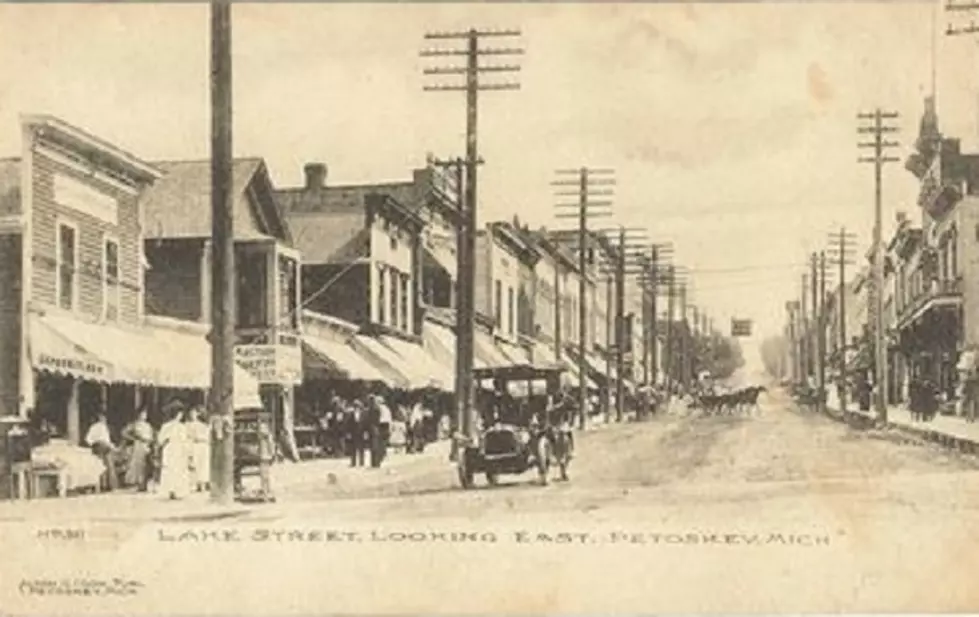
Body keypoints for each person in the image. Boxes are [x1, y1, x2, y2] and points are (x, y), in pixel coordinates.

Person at [157, 400, 190, 500]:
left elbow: (185, 440)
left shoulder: (182, 426)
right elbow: (160, 440)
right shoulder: (167, 426)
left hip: (179, 449)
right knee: (171, 469)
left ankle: (177, 491)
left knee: (178, 469)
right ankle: (170, 490)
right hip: (171, 448)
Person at [122, 408, 154, 491]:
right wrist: (133, 438)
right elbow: (124, 433)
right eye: (142, 414)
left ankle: (144, 484)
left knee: (146, 464)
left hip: (146, 445)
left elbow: (151, 436)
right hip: (139, 444)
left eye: (145, 414)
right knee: (138, 464)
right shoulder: (135, 424)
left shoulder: (148, 425)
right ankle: (138, 483)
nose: (144, 416)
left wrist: (150, 442)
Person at [85, 413, 118, 491]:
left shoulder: (97, 427)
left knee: (105, 466)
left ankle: (106, 485)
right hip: (100, 448)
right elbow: (105, 440)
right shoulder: (99, 427)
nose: (104, 420)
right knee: (105, 466)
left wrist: (93, 444)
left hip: (101, 447)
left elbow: (88, 440)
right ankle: (106, 485)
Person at [186, 405, 210, 492]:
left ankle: (203, 484)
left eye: (195, 413)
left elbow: (208, 437)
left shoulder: (205, 426)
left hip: (203, 446)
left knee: (203, 465)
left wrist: (200, 438)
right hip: (194, 445)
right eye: (192, 413)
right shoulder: (188, 425)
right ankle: (194, 484)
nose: (193, 414)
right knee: (194, 464)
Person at [257, 416, 276, 501]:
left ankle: (266, 493)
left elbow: (271, 444)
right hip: (264, 455)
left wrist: (272, 453)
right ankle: (266, 491)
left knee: (264, 475)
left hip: (265, 455)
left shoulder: (266, 435)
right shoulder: (266, 435)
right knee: (265, 475)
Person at [346, 400, 367, 467]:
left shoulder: (363, 414)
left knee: (361, 448)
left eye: (357, 406)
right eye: (355, 406)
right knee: (353, 448)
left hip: (361, 432)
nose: (356, 407)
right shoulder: (351, 414)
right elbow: (348, 424)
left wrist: (365, 432)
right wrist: (348, 433)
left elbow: (365, 424)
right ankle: (353, 462)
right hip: (353, 432)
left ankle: (362, 462)